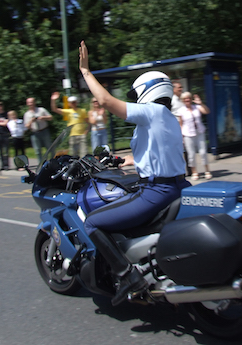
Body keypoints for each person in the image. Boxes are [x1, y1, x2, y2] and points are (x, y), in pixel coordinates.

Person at [79, 40, 191, 306]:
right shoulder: (169, 118)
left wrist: (85, 71)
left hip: (156, 192)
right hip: (178, 186)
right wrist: (124, 161)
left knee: (92, 222)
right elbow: (158, 156)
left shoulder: (151, 113)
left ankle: (128, 276)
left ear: (147, 92)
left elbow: (105, 100)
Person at [178, 92, 212, 180]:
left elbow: (207, 111)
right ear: (183, 101)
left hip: (199, 132)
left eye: (188, 98)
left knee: (203, 152)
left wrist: (201, 103)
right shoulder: (181, 110)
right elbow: (181, 124)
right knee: (191, 154)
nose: (187, 100)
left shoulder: (196, 107)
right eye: (185, 99)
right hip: (188, 134)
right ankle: (195, 172)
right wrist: (181, 137)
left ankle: (207, 171)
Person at [23, 97, 53, 164]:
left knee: (50, 148)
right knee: (37, 150)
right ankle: (41, 164)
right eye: (29, 102)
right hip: (35, 133)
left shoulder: (41, 110)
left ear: (34, 102)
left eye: (31, 102)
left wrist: (43, 117)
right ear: (27, 104)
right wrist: (31, 121)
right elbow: (26, 126)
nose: (30, 104)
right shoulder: (27, 114)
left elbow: (51, 117)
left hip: (44, 131)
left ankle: (53, 162)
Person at [171, 81, 191, 176]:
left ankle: (189, 170)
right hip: (175, 127)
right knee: (178, 150)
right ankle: (180, 172)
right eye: (179, 87)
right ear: (174, 89)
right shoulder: (171, 101)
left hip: (185, 126)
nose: (181, 89)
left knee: (187, 149)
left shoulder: (183, 99)